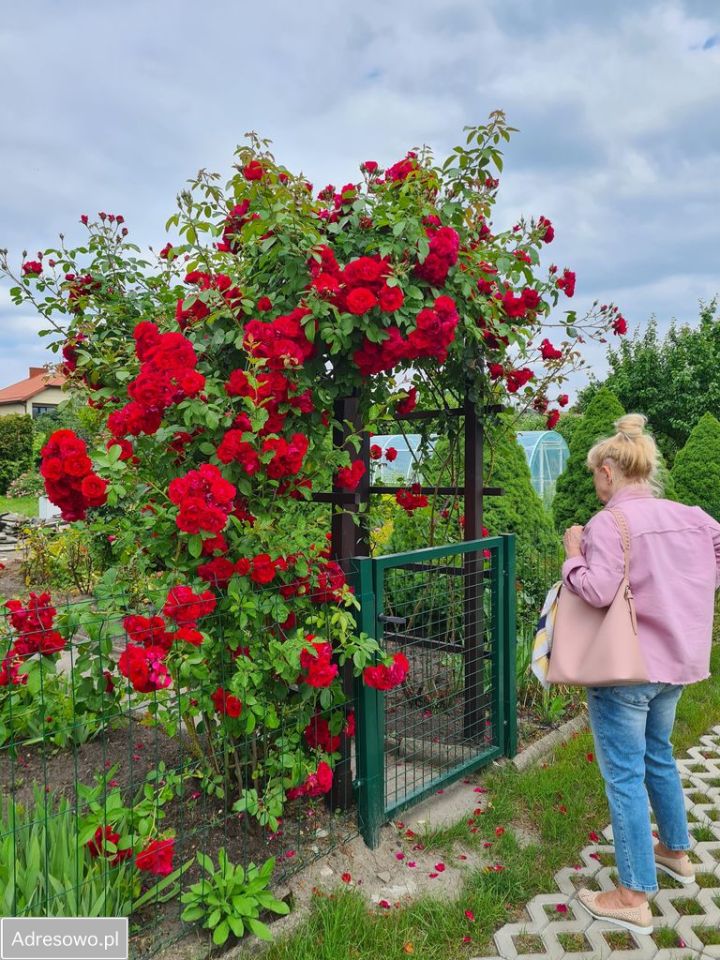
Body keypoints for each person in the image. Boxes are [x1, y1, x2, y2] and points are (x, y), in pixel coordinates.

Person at [561, 413, 720, 936]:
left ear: (608, 470)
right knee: (660, 755)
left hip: (625, 670)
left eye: (594, 475)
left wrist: (572, 557)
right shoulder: (696, 517)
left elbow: (597, 591)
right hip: (677, 663)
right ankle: (676, 850)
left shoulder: (610, 524)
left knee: (625, 774)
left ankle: (632, 893)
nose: (595, 484)